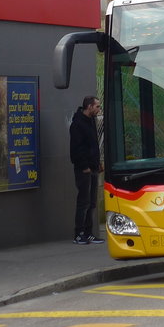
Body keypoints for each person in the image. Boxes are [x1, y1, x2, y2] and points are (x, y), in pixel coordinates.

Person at [69, 95, 104, 245]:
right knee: (83, 201)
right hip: (84, 169)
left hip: (93, 167)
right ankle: (79, 233)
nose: (99, 109)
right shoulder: (78, 123)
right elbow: (76, 149)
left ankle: (89, 233)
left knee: (92, 202)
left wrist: (98, 163)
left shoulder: (91, 121)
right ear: (89, 106)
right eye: (97, 106)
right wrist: (84, 167)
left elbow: (93, 145)